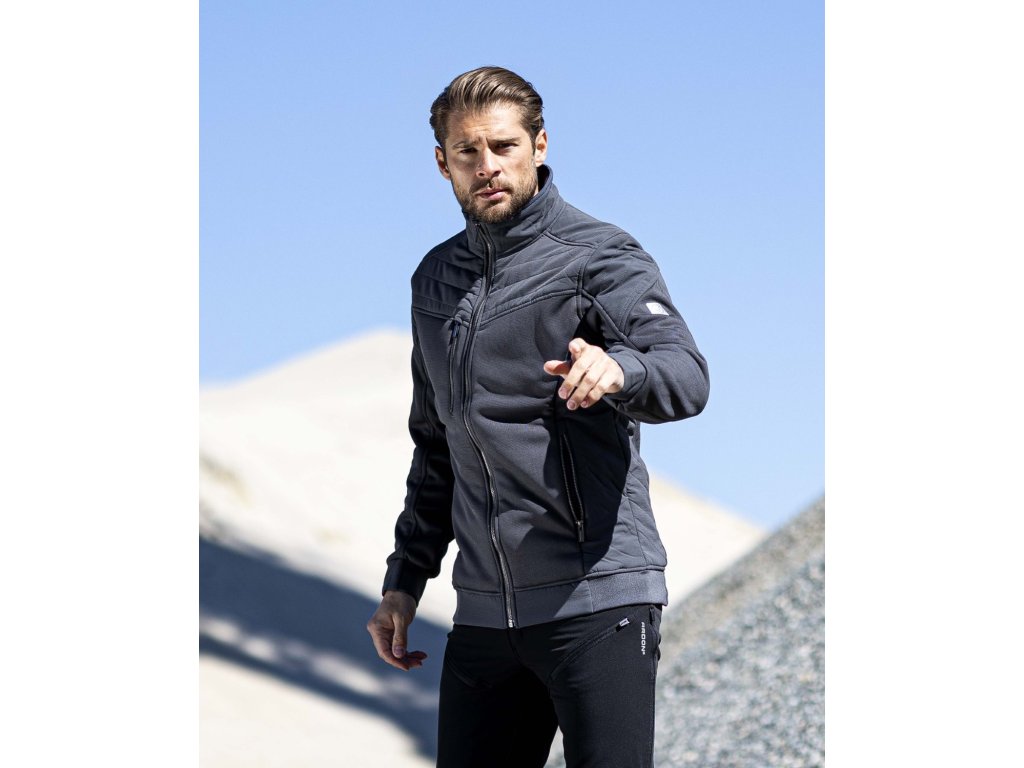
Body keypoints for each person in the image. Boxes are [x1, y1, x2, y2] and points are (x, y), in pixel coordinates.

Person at [366, 66, 710, 768]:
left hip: (598, 603)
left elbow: (684, 373)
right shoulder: (434, 282)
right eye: (468, 152)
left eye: (504, 146)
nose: (487, 166)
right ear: (443, 163)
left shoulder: (598, 256)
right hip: (484, 617)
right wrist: (404, 581)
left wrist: (622, 370)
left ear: (539, 145)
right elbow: (436, 447)